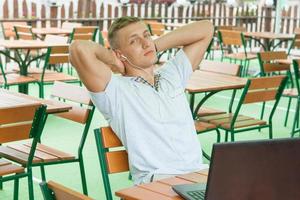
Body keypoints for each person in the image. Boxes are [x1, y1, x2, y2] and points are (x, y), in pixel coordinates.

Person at [69, 16, 214, 185]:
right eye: (134, 41)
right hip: (158, 182)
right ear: (120, 54)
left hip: (199, 176)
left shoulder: (173, 73)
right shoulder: (115, 90)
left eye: (146, 35)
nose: (145, 43)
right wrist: (113, 61)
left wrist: (155, 45)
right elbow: (78, 49)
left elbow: (206, 28)